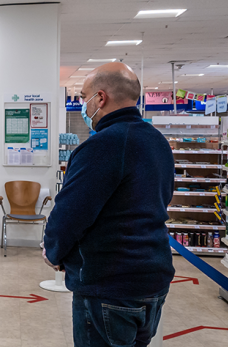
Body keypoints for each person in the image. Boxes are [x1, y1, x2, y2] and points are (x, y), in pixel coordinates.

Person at [42, 62, 175, 347]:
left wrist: (53, 253)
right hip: (153, 280)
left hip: (109, 285)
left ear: (100, 98)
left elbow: (71, 213)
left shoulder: (102, 146)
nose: (82, 104)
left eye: (83, 96)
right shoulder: (158, 142)